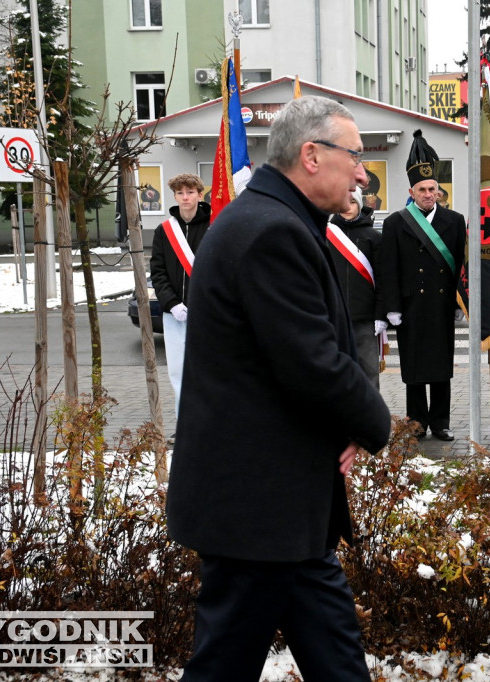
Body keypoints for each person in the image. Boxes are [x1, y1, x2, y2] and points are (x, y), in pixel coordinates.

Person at [166, 96, 391, 682]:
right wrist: (373, 421)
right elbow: (312, 362)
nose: (362, 174)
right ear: (311, 155)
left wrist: (342, 421)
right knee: (222, 669)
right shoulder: (270, 231)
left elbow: (292, 359)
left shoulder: (273, 219)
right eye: (355, 157)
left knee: (338, 660)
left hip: (284, 507)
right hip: (257, 511)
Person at [378, 130, 467, 440]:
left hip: (441, 305)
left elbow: (461, 265)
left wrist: (459, 302)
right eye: (422, 190)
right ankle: (416, 422)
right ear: (411, 192)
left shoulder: (455, 221)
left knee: (441, 366)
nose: (429, 194)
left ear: (439, 191)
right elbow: (388, 269)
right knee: (414, 368)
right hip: (411, 306)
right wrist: (391, 307)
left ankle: (441, 422)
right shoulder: (395, 223)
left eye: (433, 189)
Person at [149, 173, 211, 416]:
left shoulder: (213, 226)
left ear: (200, 194)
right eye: (180, 193)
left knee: (207, 370)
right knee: (178, 371)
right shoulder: (164, 231)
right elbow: (158, 271)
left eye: (190, 192)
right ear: (174, 196)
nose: (185, 197)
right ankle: (184, 423)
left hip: (207, 313)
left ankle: (208, 424)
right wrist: (172, 303)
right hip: (174, 314)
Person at [329, 187, 383, 387]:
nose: (347, 207)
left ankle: (370, 408)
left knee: (369, 373)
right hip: (333, 317)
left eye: (352, 202)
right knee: (336, 374)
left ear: (359, 204)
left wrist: (380, 315)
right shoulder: (326, 235)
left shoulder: (373, 237)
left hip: (364, 320)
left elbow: (382, 279)